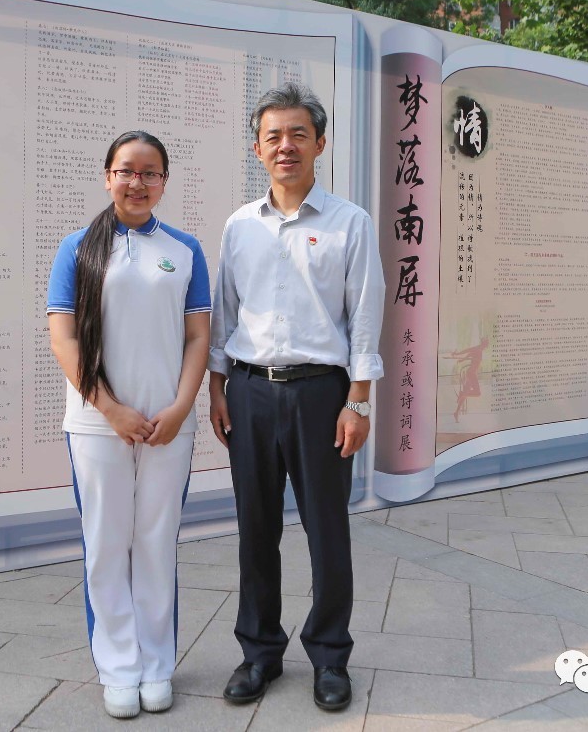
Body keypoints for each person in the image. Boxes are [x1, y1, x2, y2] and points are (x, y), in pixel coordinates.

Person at [208, 83, 385, 712]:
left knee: (326, 532)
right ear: (257, 148)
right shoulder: (238, 225)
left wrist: (358, 401)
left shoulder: (349, 223)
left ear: (320, 143)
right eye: (274, 136)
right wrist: (218, 387)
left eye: (298, 134)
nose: (287, 146)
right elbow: (225, 312)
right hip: (251, 391)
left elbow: (365, 316)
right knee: (255, 530)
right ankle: (259, 652)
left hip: (321, 396)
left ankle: (330, 656)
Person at [47, 131, 211, 719]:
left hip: (169, 424)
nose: (137, 183)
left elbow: (198, 337)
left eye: (150, 173)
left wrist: (181, 406)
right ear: (107, 175)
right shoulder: (78, 249)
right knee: (106, 546)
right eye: (126, 171)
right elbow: (62, 335)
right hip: (97, 425)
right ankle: (117, 667)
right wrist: (107, 407)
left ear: (164, 180)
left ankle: (155, 665)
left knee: (156, 543)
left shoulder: (185, 249)